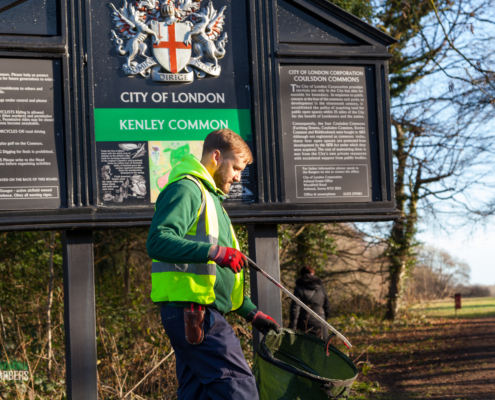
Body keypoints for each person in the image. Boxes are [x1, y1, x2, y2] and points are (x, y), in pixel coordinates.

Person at [147, 129, 280, 400]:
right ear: (217, 156)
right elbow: (158, 241)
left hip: (195, 313)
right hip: (194, 315)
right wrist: (215, 251)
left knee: (197, 394)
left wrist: (250, 312)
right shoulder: (187, 189)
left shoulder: (212, 200)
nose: (238, 177)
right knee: (240, 389)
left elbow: (212, 276)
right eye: (236, 167)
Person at [289, 265, 331, 340]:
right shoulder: (321, 288)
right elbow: (327, 307)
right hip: (321, 323)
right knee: (322, 349)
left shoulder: (299, 288)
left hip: (305, 325)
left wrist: (292, 328)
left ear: (301, 275)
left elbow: (295, 310)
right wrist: (324, 319)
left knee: (305, 349)